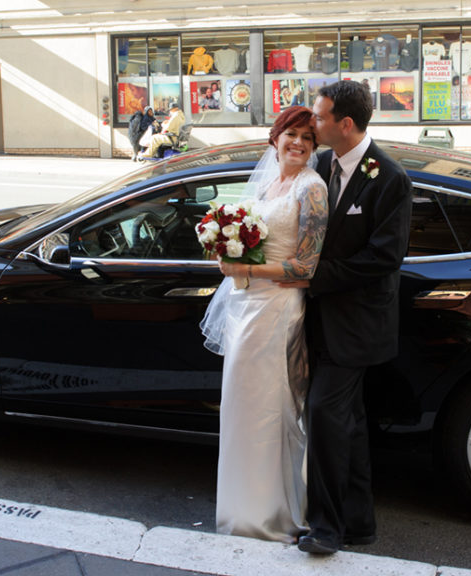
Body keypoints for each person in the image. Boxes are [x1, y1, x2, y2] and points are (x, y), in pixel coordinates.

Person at [292, 80, 413, 555]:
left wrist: (309, 277)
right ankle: (360, 524)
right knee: (350, 425)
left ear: (345, 123)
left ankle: (326, 527)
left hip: (358, 326)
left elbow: (383, 257)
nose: (311, 124)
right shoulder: (320, 165)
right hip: (318, 321)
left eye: (318, 118)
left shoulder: (390, 178)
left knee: (324, 413)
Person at [200, 106, 328, 543]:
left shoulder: (312, 189)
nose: (298, 143)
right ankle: (242, 507)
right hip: (247, 306)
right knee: (242, 408)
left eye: (307, 139)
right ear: (274, 138)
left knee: (272, 410)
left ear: (314, 148)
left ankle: (272, 514)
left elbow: (307, 268)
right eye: (291, 134)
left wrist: (247, 272)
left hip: (277, 308)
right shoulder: (272, 182)